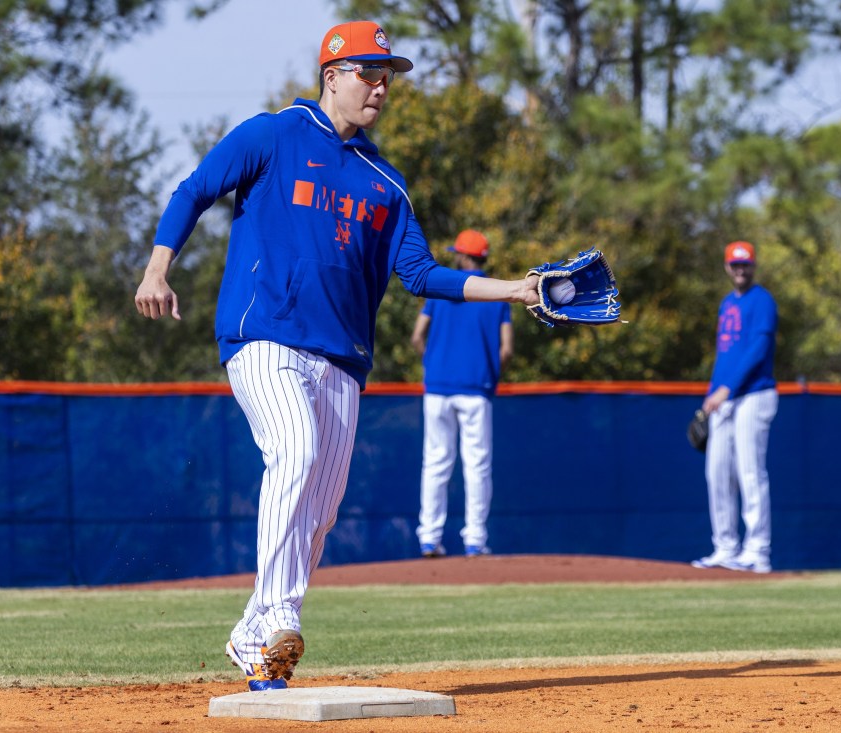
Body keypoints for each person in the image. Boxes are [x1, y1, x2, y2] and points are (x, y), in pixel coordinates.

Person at [133, 20, 540, 692]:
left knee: (319, 509)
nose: (382, 86)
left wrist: (517, 288)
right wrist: (157, 268)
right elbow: (194, 189)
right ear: (332, 75)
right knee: (293, 449)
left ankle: (250, 639)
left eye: (389, 76)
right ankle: (276, 615)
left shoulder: (387, 182)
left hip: (343, 357)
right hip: (263, 334)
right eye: (369, 72)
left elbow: (424, 275)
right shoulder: (274, 133)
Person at [411, 230, 513, 559]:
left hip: (438, 387)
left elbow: (416, 336)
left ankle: (429, 538)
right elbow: (507, 348)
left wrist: (433, 362)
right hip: (476, 387)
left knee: (436, 463)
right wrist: (489, 371)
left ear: (464, 256)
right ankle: (475, 539)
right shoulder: (495, 292)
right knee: (477, 465)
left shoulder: (442, 288)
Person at [691, 241, 779, 574]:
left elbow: (758, 350)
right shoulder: (727, 303)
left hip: (754, 395)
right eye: (735, 264)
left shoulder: (763, 301)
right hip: (724, 399)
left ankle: (758, 551)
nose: (740, 270)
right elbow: (724, 354)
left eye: (745, 264)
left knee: (749, 472)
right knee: (716, 472)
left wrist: (725, 390)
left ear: (754, 266)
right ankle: (725, 547)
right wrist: (713, 392)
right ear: (727, 267)